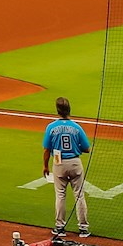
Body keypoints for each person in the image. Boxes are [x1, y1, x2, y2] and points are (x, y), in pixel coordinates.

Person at [43, 97, 92, 238]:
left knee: (60, 195)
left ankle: (60, 227)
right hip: (75, 163)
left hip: (59, 164)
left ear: (57, 110)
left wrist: (45, 166)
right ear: (69, 109)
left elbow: (46, 150)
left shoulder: (51, 127)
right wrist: (75, 147)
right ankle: (83, 228)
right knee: (79, 195)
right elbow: (87, 149)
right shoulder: (77, 127)